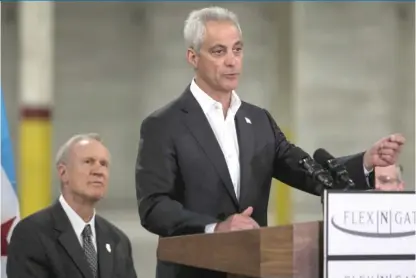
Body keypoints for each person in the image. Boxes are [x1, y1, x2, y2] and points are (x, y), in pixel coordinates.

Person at [135, 6, 405, 278]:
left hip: (252, 269)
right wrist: (214, 228)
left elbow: (306, 170)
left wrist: (365, 163)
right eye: (219, 51)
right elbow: (154, 207)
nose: (232, 61)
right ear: (192, 57)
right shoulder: (163, 125)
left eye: (237, 49)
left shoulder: (259, 121)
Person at [7, 133, 137, 278]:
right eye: (88, 161)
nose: (98, 171)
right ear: (63, 172)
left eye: (104, 164)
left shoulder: (118, 241)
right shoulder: (32, 233)